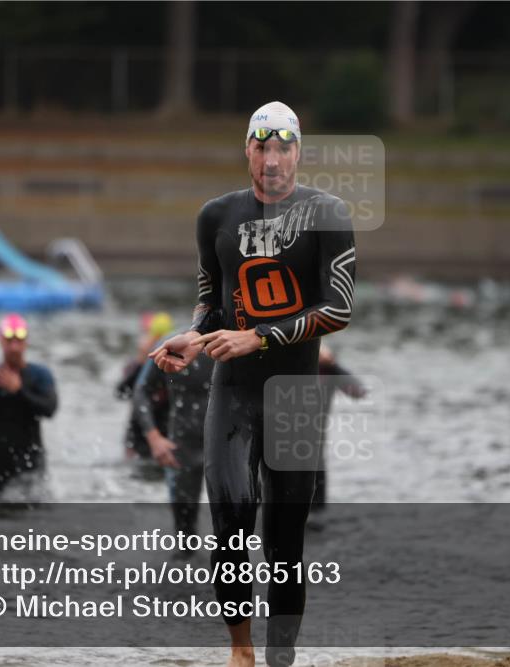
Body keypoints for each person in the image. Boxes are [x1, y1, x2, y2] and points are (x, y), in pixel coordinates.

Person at [151, 101, 356, 667]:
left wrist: (257, 337)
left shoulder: (328, 213)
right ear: (247, 149)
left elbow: (338, 308)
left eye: (284, 148)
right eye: (262, 148)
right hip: (233, 392)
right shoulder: (215, 217)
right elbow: (211, 303)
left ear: (298, 151)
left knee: (286, 544)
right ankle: (241, 652)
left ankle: (278, 660)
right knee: (231, 522)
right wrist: (192, 336)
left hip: (292, 396)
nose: (273, 161)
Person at [132, 329, 214, 556]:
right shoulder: (174, 345)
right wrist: (154, 438)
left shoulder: (234, 343)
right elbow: (141, 390)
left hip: (225, 443)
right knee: (185, 540)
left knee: (236, 525)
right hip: (182, 445)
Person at [0, 313, 58, 501]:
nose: (14, 346)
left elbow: (50, 409)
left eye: (19, 340)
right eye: (9, 340)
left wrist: (19, 390)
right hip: (1, 463)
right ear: (1, 341)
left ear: (26, 342)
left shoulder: (40, 376)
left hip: (33, 461)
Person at [115, 312, 173, 479]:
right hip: (136, 434)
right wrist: (141, 361)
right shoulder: (134, 365)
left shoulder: (175, 366)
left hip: (165, 434)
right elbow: (121, 392)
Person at [311, 344, 366, 518]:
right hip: (281, 430)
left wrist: (333, 366)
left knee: (315, 470)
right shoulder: (291, 365)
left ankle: (317, 513)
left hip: (314, 433)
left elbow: (359, 392)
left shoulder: (329, 372)